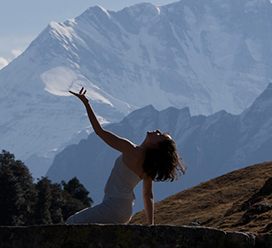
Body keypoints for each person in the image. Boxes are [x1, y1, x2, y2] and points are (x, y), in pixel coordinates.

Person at [65, 87, 186, 225]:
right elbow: (148, 195)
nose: (158, 130)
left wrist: (86, 103)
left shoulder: (132, 151)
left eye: (161, 135)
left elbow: (99, 131)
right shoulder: (148, 165)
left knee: (71, 223)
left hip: (113, 207)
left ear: (157, 145)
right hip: (124, 211)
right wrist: (150, 225)